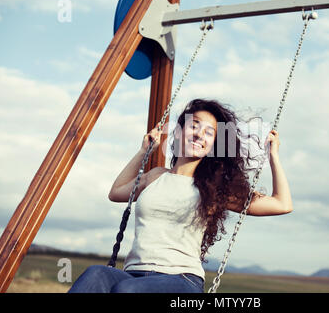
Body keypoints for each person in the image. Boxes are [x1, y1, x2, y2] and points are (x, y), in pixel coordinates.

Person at [68, 98, 293, 293]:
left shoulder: (215, 189)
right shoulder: (155, 176)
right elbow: (116, 192)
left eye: (209, 132)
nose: (199, 135)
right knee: (96, 274)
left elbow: (282, 204)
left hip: (180, 280)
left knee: (127, 291)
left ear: (213, 145)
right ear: (178, 132)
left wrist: (274, 157)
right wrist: (144, 151)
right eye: (194, 126)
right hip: (132, 274)